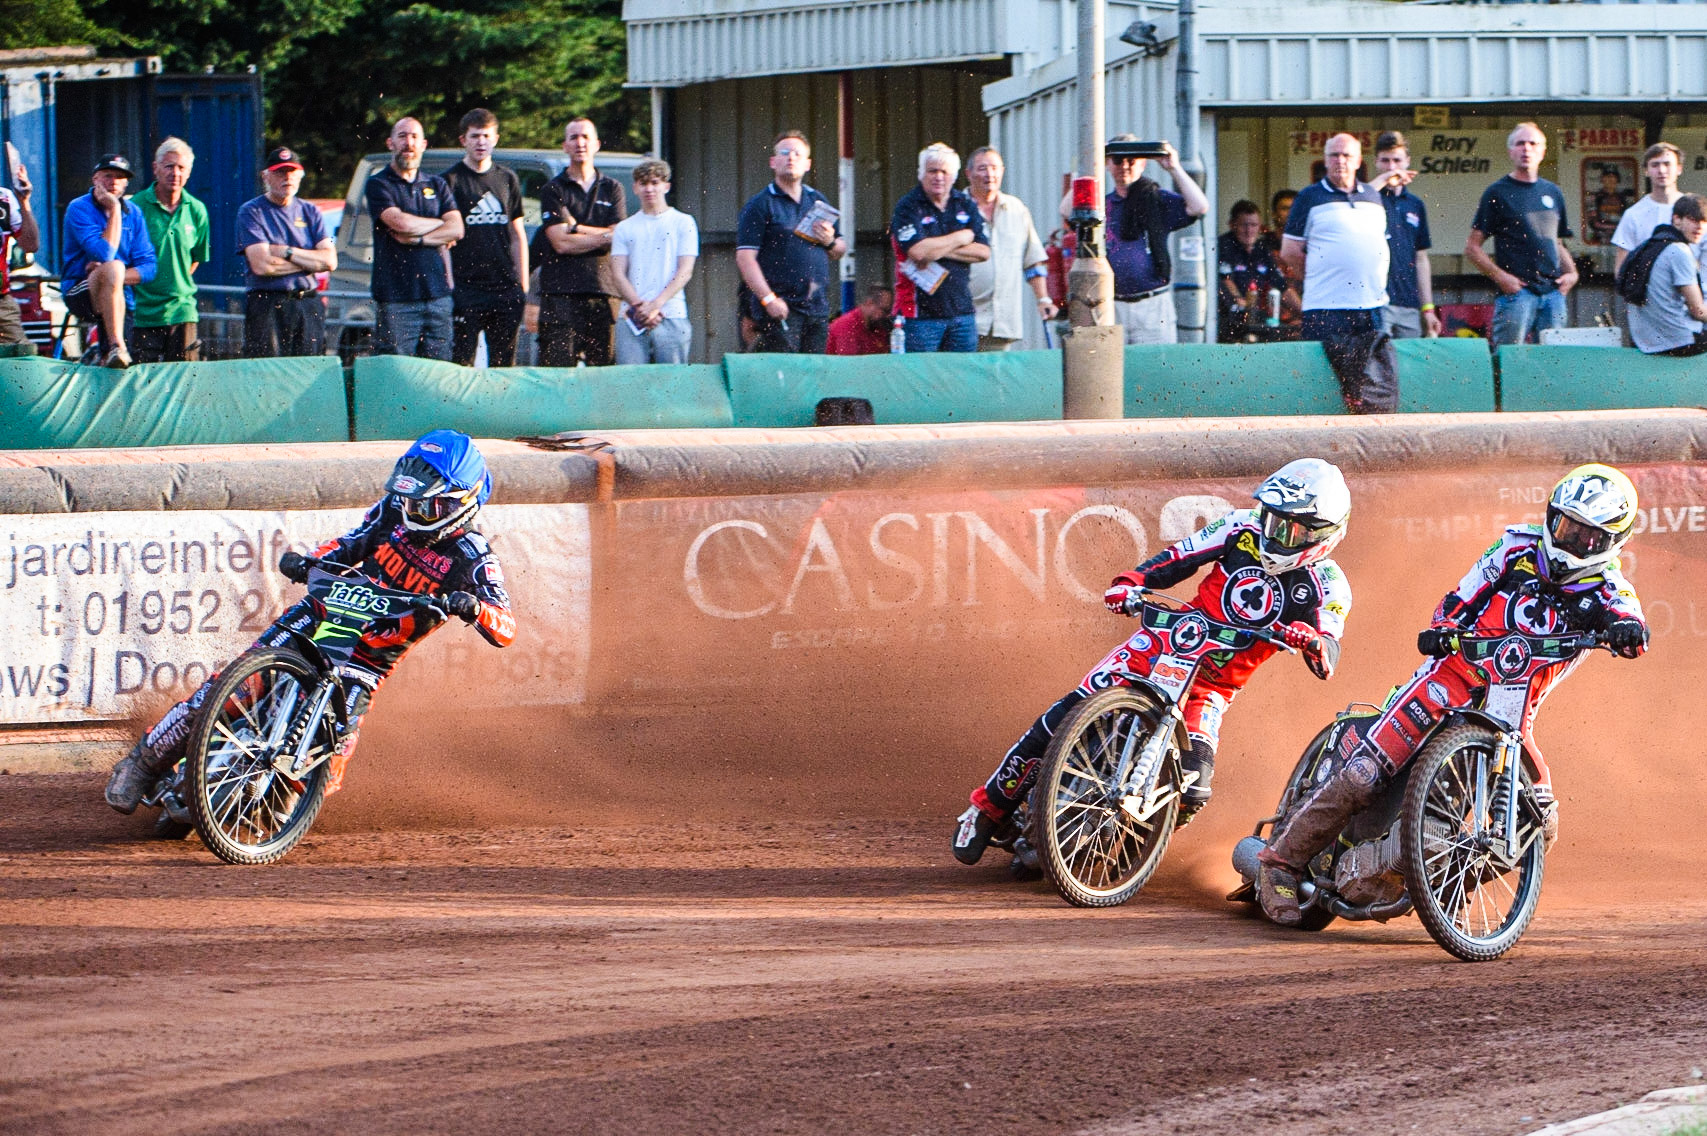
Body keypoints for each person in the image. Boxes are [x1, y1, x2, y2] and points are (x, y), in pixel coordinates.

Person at [1257, 464, 1649, 926]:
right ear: (1550, 516)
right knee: (1365, 773)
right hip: (1449, 678)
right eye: (1565, 526)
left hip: (1513, 712)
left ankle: (1443, 881)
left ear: (1612, 543)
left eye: (1587, 537)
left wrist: (1627, 632)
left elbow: (1633, 623)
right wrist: (1443, 628)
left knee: (1538, 823)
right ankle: (1279, 864)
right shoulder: (1515, 548)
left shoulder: (1610, 589)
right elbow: (1460, 597)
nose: (1570, 542)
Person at [953, 458, 1353, 866]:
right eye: (1271, 518)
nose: (1273, 532)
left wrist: (1314, 642)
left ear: (1322, 535)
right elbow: (1177, 558)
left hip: (1211, 688)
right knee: (1067, 712)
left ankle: (1124, 850)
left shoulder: (1329, 584)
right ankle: (987, 809)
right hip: (1160, 644)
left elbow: (1329, 651)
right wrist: (1131, 583)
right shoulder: (1240, 526)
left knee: (1194, 789)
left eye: (1289, 527)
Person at [104, 429, 517, 814]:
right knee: (233, 686)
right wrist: (311, 560)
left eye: (426, 505)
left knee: (334, 749)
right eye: (410, 501)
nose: (413, 511)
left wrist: (473, 607)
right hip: (328, 614)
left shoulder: (474, 557)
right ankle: (143, 763)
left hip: (369, 659)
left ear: (461, 503)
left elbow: (506, 627)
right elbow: (351, 542)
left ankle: (276, 810)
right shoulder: (393, 511)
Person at [1281, 133, 1402, 414]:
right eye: (1334, 155)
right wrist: (1321, 278)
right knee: (1325, 387)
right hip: (1326, 309)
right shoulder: (1309, 197)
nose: (1340, 161)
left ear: (1359, 160)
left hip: (1371, 307)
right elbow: (1290, 251)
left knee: (1375, 386)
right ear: (1325, 160)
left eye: (1347, 155)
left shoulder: (1373, 196)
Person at [1060, 136, 1209, 344]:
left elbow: (1199, 206)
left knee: (1155, 369)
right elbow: (1067, 210)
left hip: (1153, 304)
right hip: (1112, 303)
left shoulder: (1156, 199)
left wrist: (1173, 168)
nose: (1125, 166)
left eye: (1132, 160)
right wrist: (1093, 165)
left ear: (1143, 162)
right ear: (1109, 164)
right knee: (1112, 371)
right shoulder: (1103, 204)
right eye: (1118, 160)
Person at [1466, 123, 1578, 347]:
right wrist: (1501, 277)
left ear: (1542, 152)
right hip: (1517, 295)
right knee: (1507, 358)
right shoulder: (1497, 192)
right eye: (1520, 143)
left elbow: (1556, 241)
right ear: (1511, 152)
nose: (1526, 149)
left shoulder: (1552, 192)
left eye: (1533, 143)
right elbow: (1472, 248)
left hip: (1553, 294)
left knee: (1553, 361)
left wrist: (1573, 273)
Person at [735, 131, 846, 354]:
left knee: (813, 375)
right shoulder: (760, 204)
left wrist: (830, 241)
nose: (791, 158)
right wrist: (769, 300)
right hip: (780, 309)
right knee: (783, 377)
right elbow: (745, 258)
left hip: (816, 307)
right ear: (773, 162)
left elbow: (840, 250)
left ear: (807, 164)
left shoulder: (817, 200)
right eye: (784, 153)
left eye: (797, 153)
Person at [366, 117, 464, 360]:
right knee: (396, 373)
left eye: (414, 137)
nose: (408, 143)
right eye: (402, 136)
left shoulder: (437, 184)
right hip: (397, 300)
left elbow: (458, 229)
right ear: (390, 143)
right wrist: (441, 224)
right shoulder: (379, 184)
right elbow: (401, 223)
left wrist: (419, 239)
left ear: (423, 144)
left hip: (438, 297)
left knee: (438, 374)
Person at [536, 117, 627, 367]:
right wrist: (604, 236)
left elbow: (619, 236)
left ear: (597, 144)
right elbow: (560, 243)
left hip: (603, 291)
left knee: (603, 374)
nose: (580, 143)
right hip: (560, 293)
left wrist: (576, 229)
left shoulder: (613, 188)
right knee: (557, 373)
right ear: (565, 146)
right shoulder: (553, 190)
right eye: (573, 137)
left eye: (586, 137)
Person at [443, 108, 527, 368]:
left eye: (486, 136)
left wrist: (521, 287)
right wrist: (451, 287)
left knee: (504, 367)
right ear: (463, 141)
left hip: (504, 289)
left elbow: (517, 235)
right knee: (461, 364)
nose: (481, 142)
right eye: (475, 136)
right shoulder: (450, 180)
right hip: (466, 289)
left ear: (496, 139)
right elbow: (444, 241)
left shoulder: (507, 179)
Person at [236, 146, 337, 358]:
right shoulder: (252, 211)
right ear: (266, 176)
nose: (287, 178)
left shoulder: (311, 212)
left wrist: (286, 252)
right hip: (269, 305)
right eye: (280, 172)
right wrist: (308, 263)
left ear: (300, 176)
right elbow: (262, 265)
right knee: (267, 373)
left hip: (307, 304)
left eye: (292, 172)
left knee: (309, 371)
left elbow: (329, 260)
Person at [891, 142, 989, 353]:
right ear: (921, 174)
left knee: (961, 380)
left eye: (944, 171)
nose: (938, 177)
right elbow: (917, 252)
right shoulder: (908, 206)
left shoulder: (964, 203)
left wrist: (934, 247)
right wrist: (963, 236)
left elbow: (983, 252)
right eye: (932, 171)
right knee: (920, 380)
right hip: (919, 316)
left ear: (954, 176)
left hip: (961, 314)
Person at [61, 153, 157, 368]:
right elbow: (103, 253)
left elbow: (149, 267)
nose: (113, 182)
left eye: (120, 177)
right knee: (113, 265)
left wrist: (113, 275)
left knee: (120, 368)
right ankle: (115, 345)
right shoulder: (79, 208)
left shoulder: (134, 213)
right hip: (81, 290)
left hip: (121, 297)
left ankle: (112, 351)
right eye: (107, 176)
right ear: (95, 179)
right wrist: (114, 209)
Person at [964, 146, 1055, 350]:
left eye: (995, 168)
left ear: (1002, 171)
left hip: (1003, 322)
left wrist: (1044, 299)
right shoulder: (956, 208)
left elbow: (1033, 261)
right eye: (982, 168)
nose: (990, 174)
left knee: (997, 379)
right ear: (968, 174)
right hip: (964, 322)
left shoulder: (1017, 210)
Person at [609, 158, 698, 365]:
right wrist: (640, 307)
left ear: (666, 186)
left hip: (672, 314)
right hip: (632, 318)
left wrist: (656, 305)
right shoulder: (625, 227)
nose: (649, 189)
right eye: (643, 183)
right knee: (631, 383)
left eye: (655, 183)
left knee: (672, 384)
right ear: (635, 188)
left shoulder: (684, 222)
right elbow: (618, 274)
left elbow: (685, 271)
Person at [131, 139, 209, 363]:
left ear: (189, 172)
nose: (175, 173)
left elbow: (195, 259)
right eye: (169, 166)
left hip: (182, 312)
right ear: (155, 169)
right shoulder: (136, 207)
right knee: (144, 385)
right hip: (143, 314)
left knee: (183, 383)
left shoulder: (197, 210)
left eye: (181, 168)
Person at [1619, 194, 1707, 357]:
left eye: (1704, 221)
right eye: (1693, 220)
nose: (1700, 227)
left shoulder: (1651, 245)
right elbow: (1698, 311)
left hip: (1644, 340)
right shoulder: (1679, 251)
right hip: (1678, 341)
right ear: (1677, 219)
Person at [1372, 131, 1440, 339]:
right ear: (1376, 162)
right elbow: (1359, 198)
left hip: (1408, 305)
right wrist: (1383, 180)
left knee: (1408, 367)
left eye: (1397, 160)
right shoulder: (1368, 197)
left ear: (1407, 162)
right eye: (1385, 161)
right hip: (1377, 304)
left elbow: (1421, 259)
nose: (1391, 167)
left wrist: (1427, 308)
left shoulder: (1415, 205)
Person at [1215, 199, 1292, 342]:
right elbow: (1226, 281)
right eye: (1244, 225)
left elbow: (1282, 286)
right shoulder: (1223, 245)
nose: (1249, 230)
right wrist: (1242, 303)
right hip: (1229, 319)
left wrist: (1305, 314)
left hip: (1256, 317)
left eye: (1253, 225)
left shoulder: (1262, 249)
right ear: (1232, 225)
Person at [1613, 143, 1691, 275]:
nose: (1661, 170)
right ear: (1646, 171)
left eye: (1667, 164)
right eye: (1655, 165)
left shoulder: (1695, 210)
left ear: (1679, 168)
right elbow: (1621, 270)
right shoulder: (1633, 214)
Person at [0, 153, 41, 346]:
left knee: (22, 354)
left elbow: (30, 244)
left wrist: (24, 200)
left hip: (2, 302)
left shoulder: (4, 199)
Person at [826, 284, 895, 355]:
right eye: (885, 310)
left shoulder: (877, 326)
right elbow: (849, 363)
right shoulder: (847, 326)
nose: (887, 316)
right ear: (869, 303)